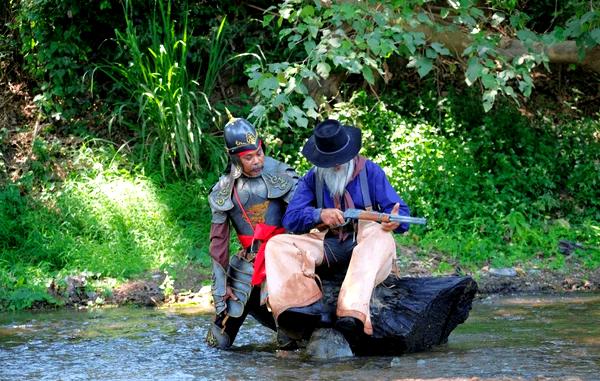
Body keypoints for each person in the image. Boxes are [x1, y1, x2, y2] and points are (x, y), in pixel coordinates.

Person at [264, 119, 411, 343]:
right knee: (277, 245)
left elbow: (401, 215)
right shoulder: (312, 178)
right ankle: (302, 306)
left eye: (339, 160)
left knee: (381, 235)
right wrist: (319, 215)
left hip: (366, 248)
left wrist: (393, 222)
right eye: (329, 161)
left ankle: (352, 311)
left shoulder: (371, 172)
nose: (335, 165)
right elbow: (291, 219)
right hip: (328, 246)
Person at [205, 112, 299, 349]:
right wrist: (220, 286)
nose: (257, 161)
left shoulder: (282, 174)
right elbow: (218, 243)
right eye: (249, 157)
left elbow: (302, 219)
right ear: (235, 158)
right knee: (216, 341)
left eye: (259, 152)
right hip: (247, 266)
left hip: (284, 261)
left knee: (292, 340)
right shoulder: (223, 190)